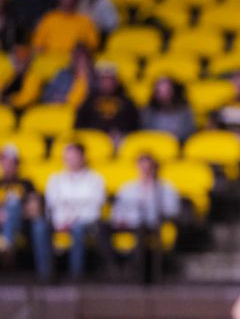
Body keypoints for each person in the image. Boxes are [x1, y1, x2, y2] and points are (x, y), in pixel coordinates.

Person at [110, 153, 181, 282]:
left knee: (141, 229)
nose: (145, 171)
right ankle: (113, 269)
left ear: (154, 169)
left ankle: (139, 275)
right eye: (142, 168)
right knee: (102, 228)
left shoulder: (164, 189)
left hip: (150, 225)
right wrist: (120, 219)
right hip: (127, 224)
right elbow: (117, 210)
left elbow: (172, 210)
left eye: (148, 168)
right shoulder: (128, 188)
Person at [44, 143, 107, 280]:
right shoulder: (55, 179)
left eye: (74, 157)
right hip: (59, 220)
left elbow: (95, 206)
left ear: (83, 157)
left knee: (78, 229)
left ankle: (76, 275)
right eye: (67, 158)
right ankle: (46, 275)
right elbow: (52, 204)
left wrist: (73, 217)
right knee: (40, 227)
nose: (70, 161)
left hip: (87, 223)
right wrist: (63, 219)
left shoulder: (95, 179)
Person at [0, 145, 50, 279]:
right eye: (4, 161)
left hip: (24, 222)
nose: (7, 165)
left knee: (38, 224)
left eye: (11, 162)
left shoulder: (26, 183)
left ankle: (44, 276)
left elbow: (35, 208)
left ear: (17, 163)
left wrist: (15, 213)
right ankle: (7, 243)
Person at [76, 62, 139, 144]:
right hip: (93, 139)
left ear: (116, 81)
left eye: (110, 79)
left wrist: (121, 133)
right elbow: (80, 123)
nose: (107, 83)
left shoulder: (126, 101)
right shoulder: (90, 100)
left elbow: (134, 124)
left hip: (118, 140)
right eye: (104, 79)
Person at [31, 0, 99, 55]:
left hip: (75, 60)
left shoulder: (85, 21)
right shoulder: (49, 19)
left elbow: (92, 45)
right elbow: (37, 44)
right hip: (51, 59)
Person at [141, 77, 196, 141]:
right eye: (159, 91)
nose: (163, 95)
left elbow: (190, 131)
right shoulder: (148, 112)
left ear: (174, 90)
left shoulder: (185, 110)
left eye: (167, 90)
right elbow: (145, 132)